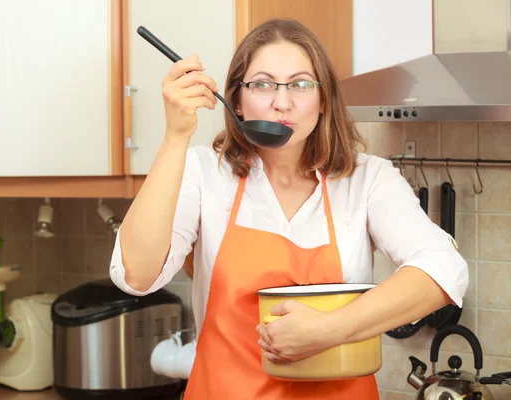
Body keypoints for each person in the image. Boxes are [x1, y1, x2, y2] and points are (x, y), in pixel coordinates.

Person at [110, 18, 468, 399]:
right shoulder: (203, 174)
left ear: (323, 100)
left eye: (300, 84)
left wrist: (330, 329)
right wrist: (175, 136)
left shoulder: (367, 179)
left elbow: (444, 268)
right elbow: (136, 275)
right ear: (236, 101)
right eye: (263, 84)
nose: (283, 102)